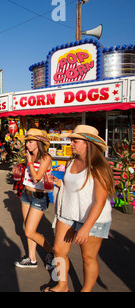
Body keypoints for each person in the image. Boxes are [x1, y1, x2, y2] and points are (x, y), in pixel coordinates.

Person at [44, 125, 114, 292]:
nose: (71, 143)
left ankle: (86, 290)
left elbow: (99, 201)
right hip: (68, 213)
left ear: (88, 144)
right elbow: (73, 187)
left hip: (92, 218)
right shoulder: (71, 162)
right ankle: (62, 285)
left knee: (88, 258)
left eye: (75, 141)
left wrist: (86, 228)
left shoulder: (99, 167)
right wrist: (58, 182)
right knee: (59, 251)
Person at [14, 128, 54, 269]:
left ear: (39, 142)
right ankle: (32, 258)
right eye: (27, 142)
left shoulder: (46, 157)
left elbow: (37, 178)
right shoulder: (29, 155)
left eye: (30, 142)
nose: (27, 145)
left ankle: (51, 251)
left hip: (39, 197)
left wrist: (30, 162)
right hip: (26, 195)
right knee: (28, 228)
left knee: (29, 231)